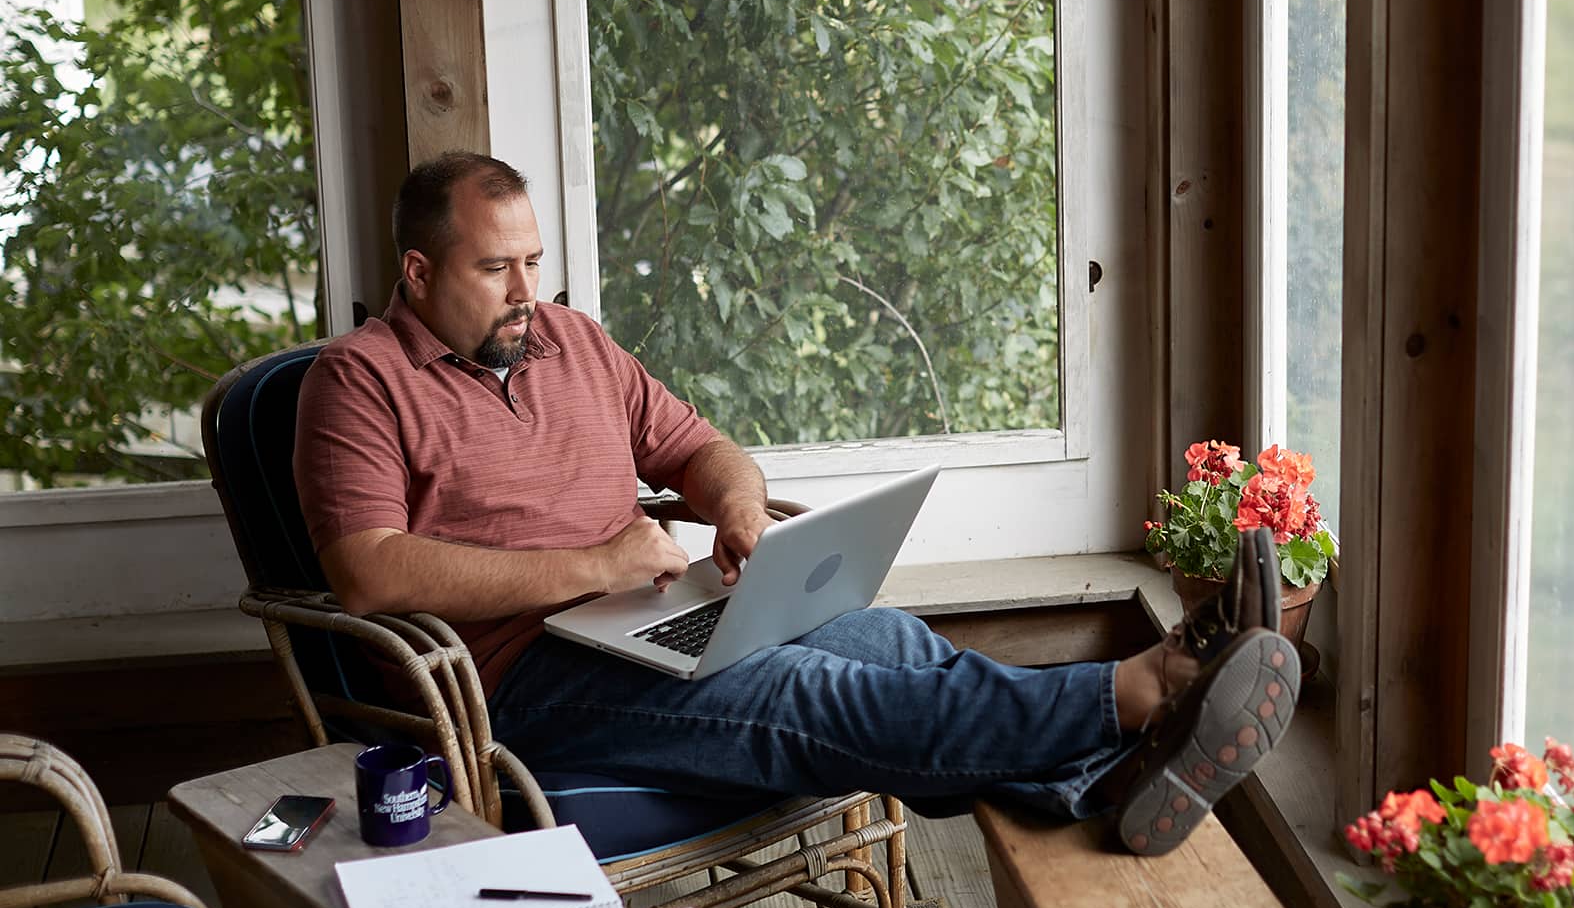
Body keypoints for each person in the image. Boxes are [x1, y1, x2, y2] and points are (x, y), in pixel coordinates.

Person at [292, 152, 1300, 855]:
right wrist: (596, 568)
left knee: (890, 646)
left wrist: (736, 508)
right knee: (804, 699)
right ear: (419, 273)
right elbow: (371, 570)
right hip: (520, 680)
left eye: (534, 261)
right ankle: (1136, 697)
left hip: (648, 615)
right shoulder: (358, 381)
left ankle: (1106, 782)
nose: (527, 291)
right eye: (495, 268)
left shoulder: (572, 342)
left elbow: (700, 448)